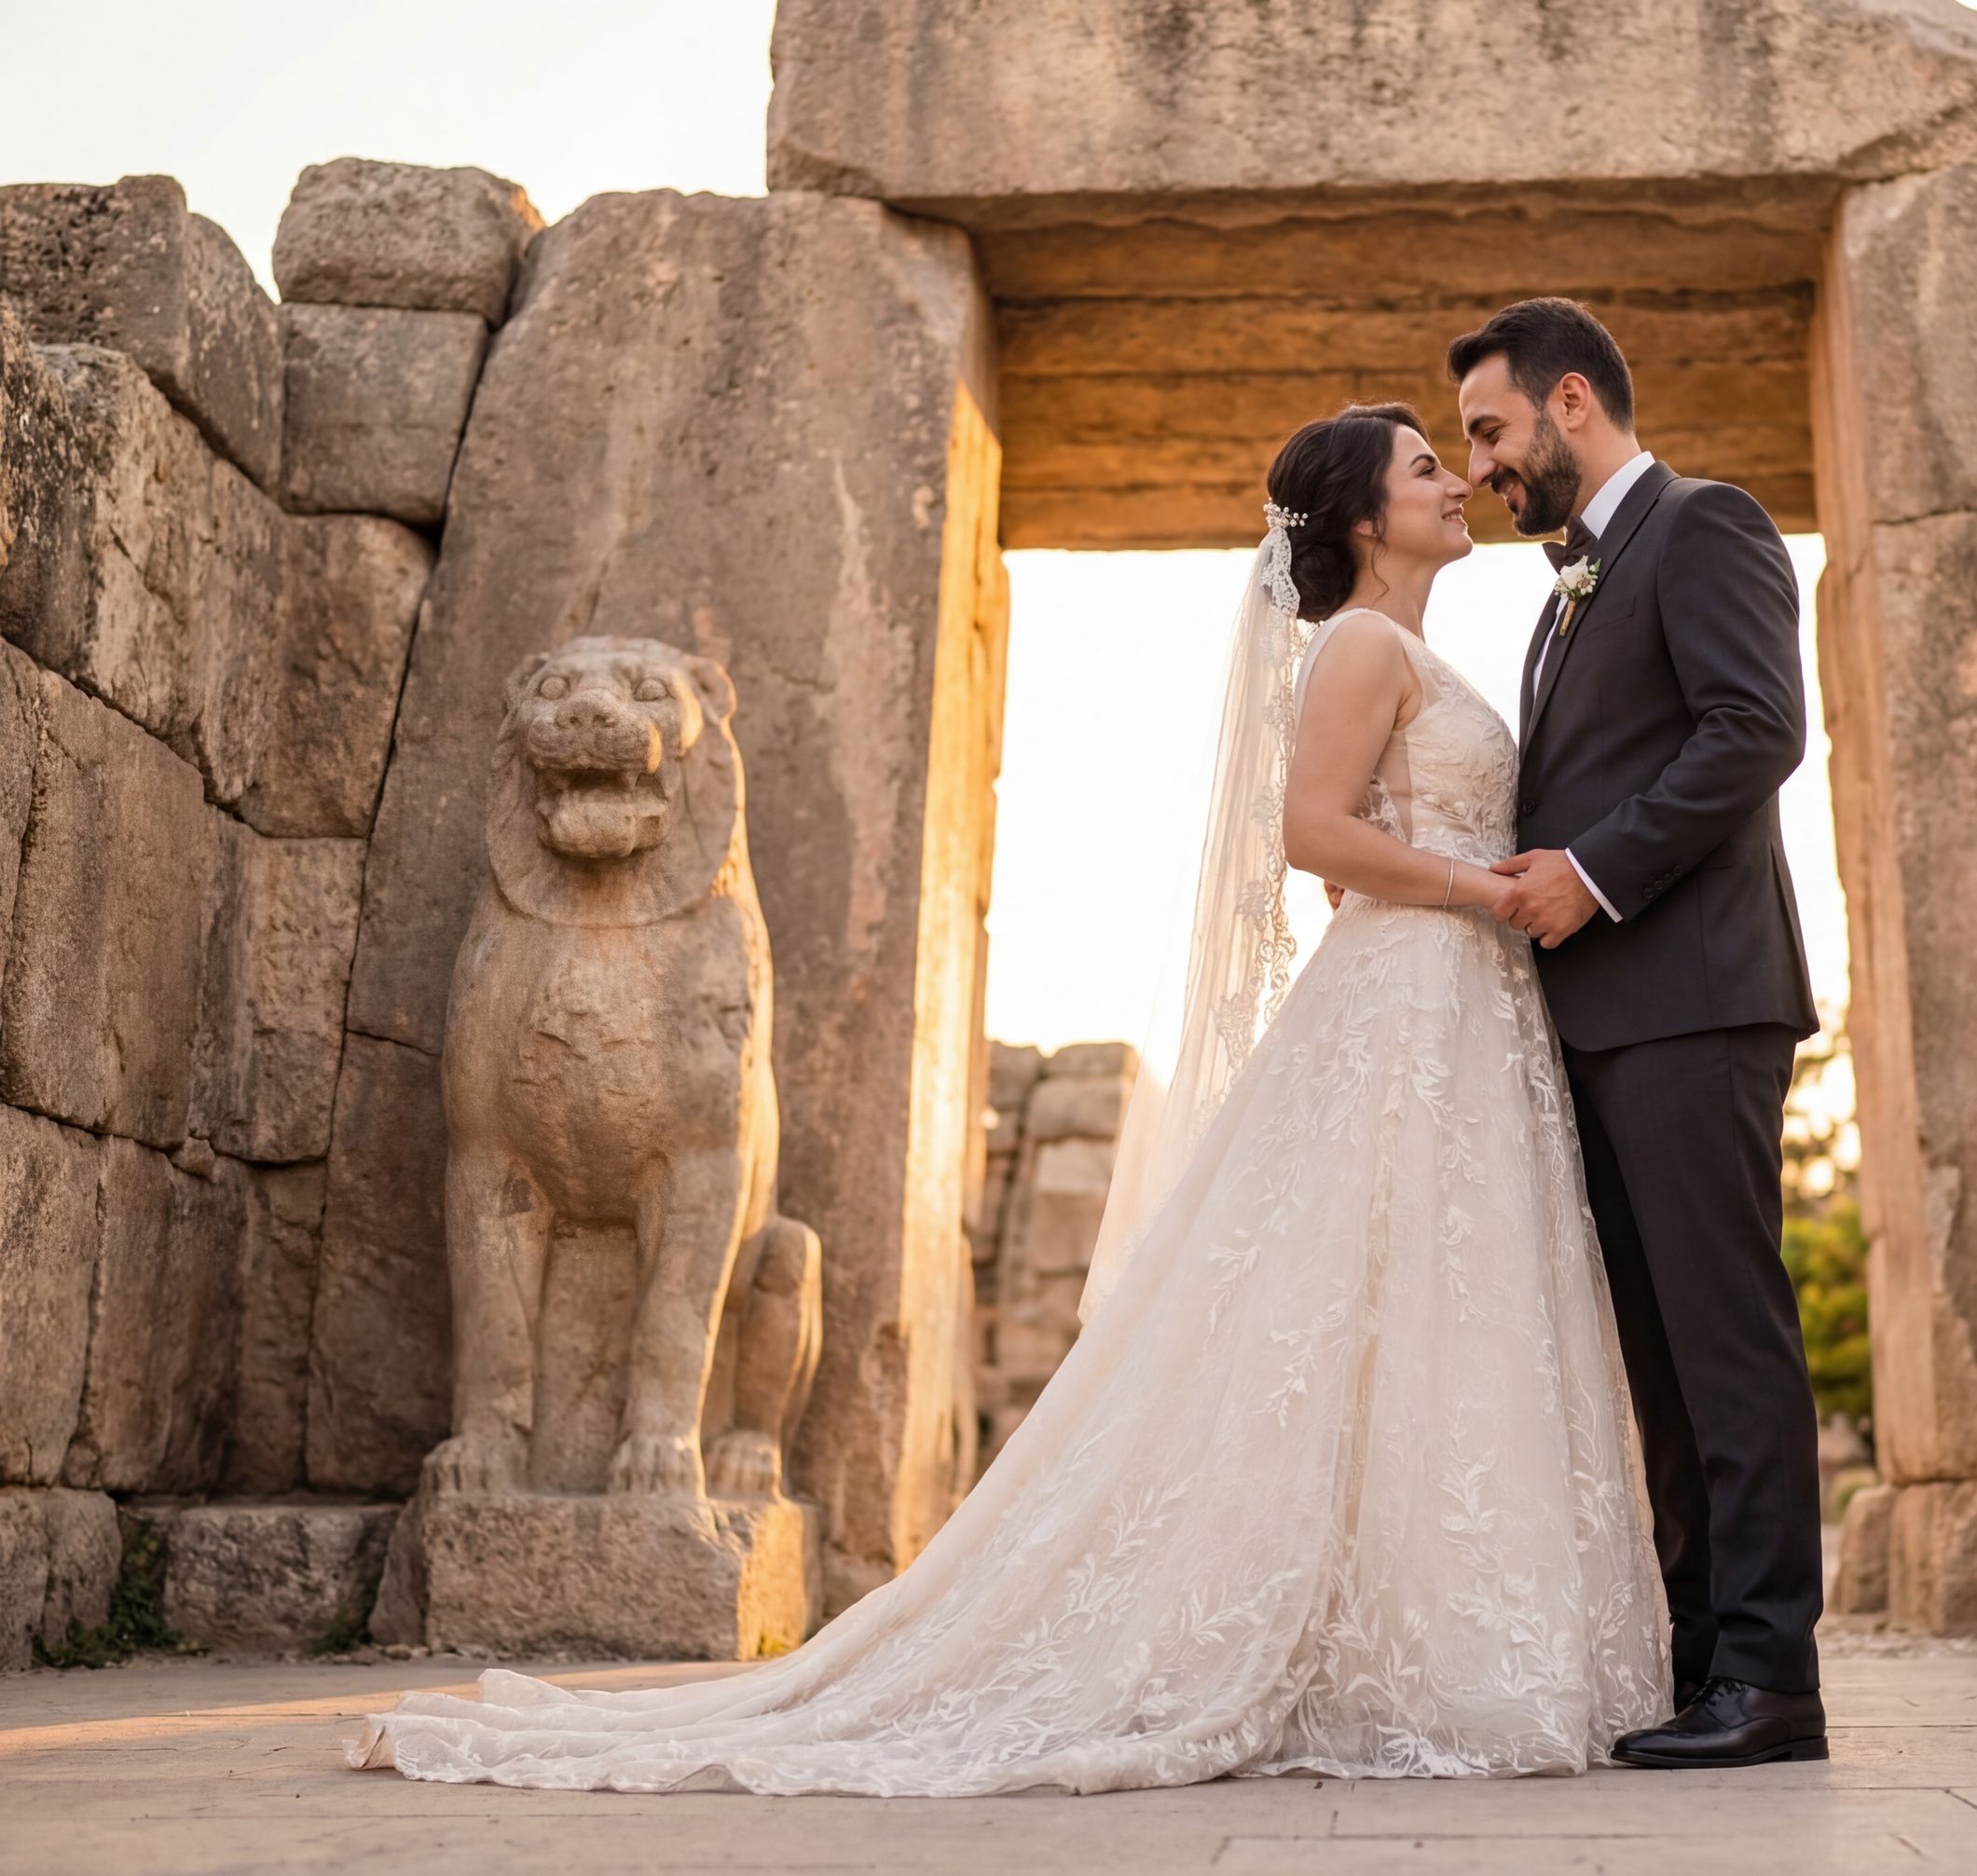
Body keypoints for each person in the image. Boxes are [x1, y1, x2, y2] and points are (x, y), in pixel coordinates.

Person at [350, 403, 1673, 1797]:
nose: (1457, 483)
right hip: (1414, 990)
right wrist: (1489, 887)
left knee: (1427, 1310)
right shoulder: (1357, 645)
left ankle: (1430, 1630)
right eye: (1426, 468)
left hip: (1456, 1007)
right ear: (1361, 518)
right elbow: (1311, 835)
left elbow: (1364, 839)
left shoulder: (1408, 648)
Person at [1453, 298, 1826, 1769]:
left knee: (1727, 1339)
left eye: (1489, 431)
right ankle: (1698, 1659)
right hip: (1604, 1024)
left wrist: (1589, 873)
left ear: (1569, 403)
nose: (1481, 464)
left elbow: (1755, 729)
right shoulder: (1564, 593)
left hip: (1696, 1000)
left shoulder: (1708, 524)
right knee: (1658, 1364)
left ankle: (1773, 1677)